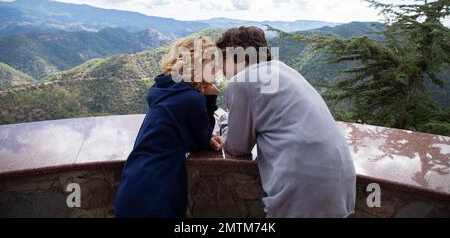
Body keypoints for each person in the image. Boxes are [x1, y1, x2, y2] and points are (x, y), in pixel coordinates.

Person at [215, 26, 356, 218]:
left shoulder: (241, 81)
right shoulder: (284, 69)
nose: (221, 69)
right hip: (341, 179)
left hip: (302, 184)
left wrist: (224, 122)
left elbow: (237, 147)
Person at [114, 36, 224, 218]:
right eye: (212, 62)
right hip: (157, 192)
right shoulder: (191, 99)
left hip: (133, 184)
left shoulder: (164, 89)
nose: (217, 68)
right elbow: (199, 141)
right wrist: (210, 99)